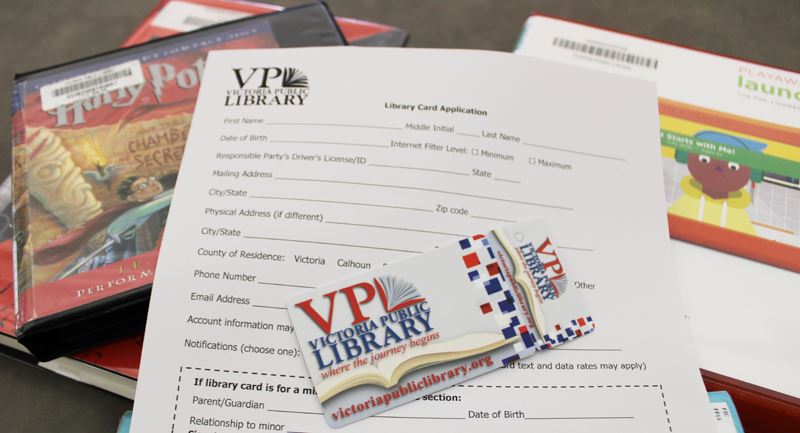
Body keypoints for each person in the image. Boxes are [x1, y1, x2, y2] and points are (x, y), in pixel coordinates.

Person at [668, 131, 765, 235]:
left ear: (752, 173)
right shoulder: (686, 203)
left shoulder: (737, 215)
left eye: (733, 167)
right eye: (704, 159)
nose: (718, 168)